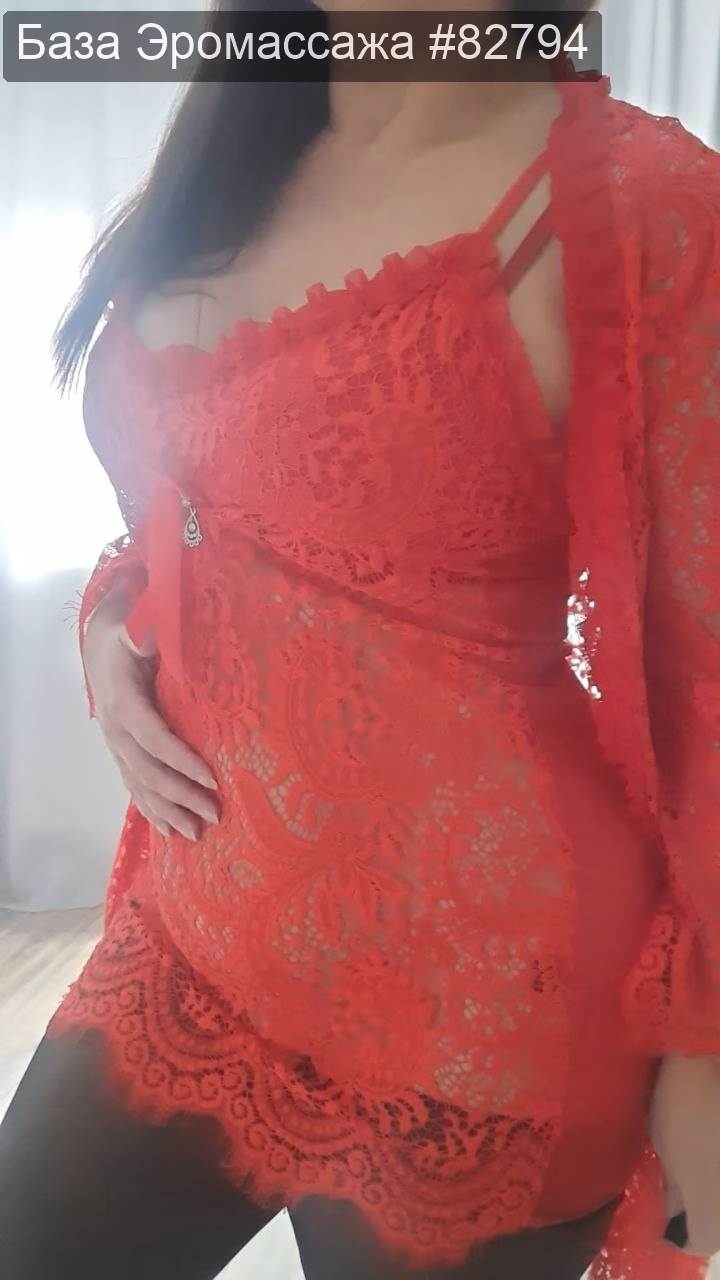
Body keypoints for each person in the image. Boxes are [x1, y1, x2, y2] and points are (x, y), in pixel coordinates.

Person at [1, 1, 719, 1277]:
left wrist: (706, 1044)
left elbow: (708, 664)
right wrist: (117, 620)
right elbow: (196, 494)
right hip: (202, 926)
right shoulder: (242, 141)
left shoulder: (641, 202)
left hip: (483, 1016)